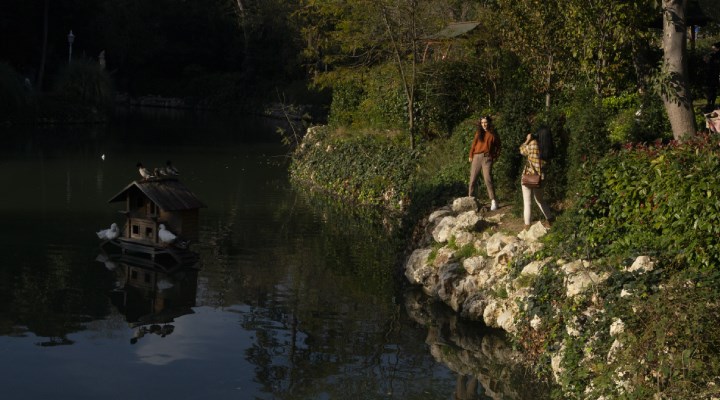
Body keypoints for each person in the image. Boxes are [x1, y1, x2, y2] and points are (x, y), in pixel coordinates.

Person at [519, 126, 554, 227]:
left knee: (527, 202)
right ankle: (550, 219)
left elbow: (522, 151)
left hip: (528, 176)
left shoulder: (533, 143)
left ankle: (527, 226)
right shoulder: (548, 146)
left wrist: (527, 140)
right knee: (540, 200)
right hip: (540, 178)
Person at [468, 116, 501, 210]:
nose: (484, 124)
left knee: (488, 179)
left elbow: (498, 146)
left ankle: (493, 200)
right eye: (482, 123)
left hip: (487, 157)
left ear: (489, 122)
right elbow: (474, 144)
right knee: (472, 179)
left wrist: (494, 156)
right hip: (476, 157)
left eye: (485, 122)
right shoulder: (479, 133)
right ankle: (470, 200)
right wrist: (471, 155)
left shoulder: (493, 134)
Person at [703, 42, 720, 112]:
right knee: (712, 90)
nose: (712, 49)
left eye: (713, 48)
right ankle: (710, 104)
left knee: (712, 90)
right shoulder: (713, 55)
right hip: (712, 75)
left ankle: (710, 104)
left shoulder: (716, 55)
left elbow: (714, 64)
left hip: (714, 75)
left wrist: (707, 61)